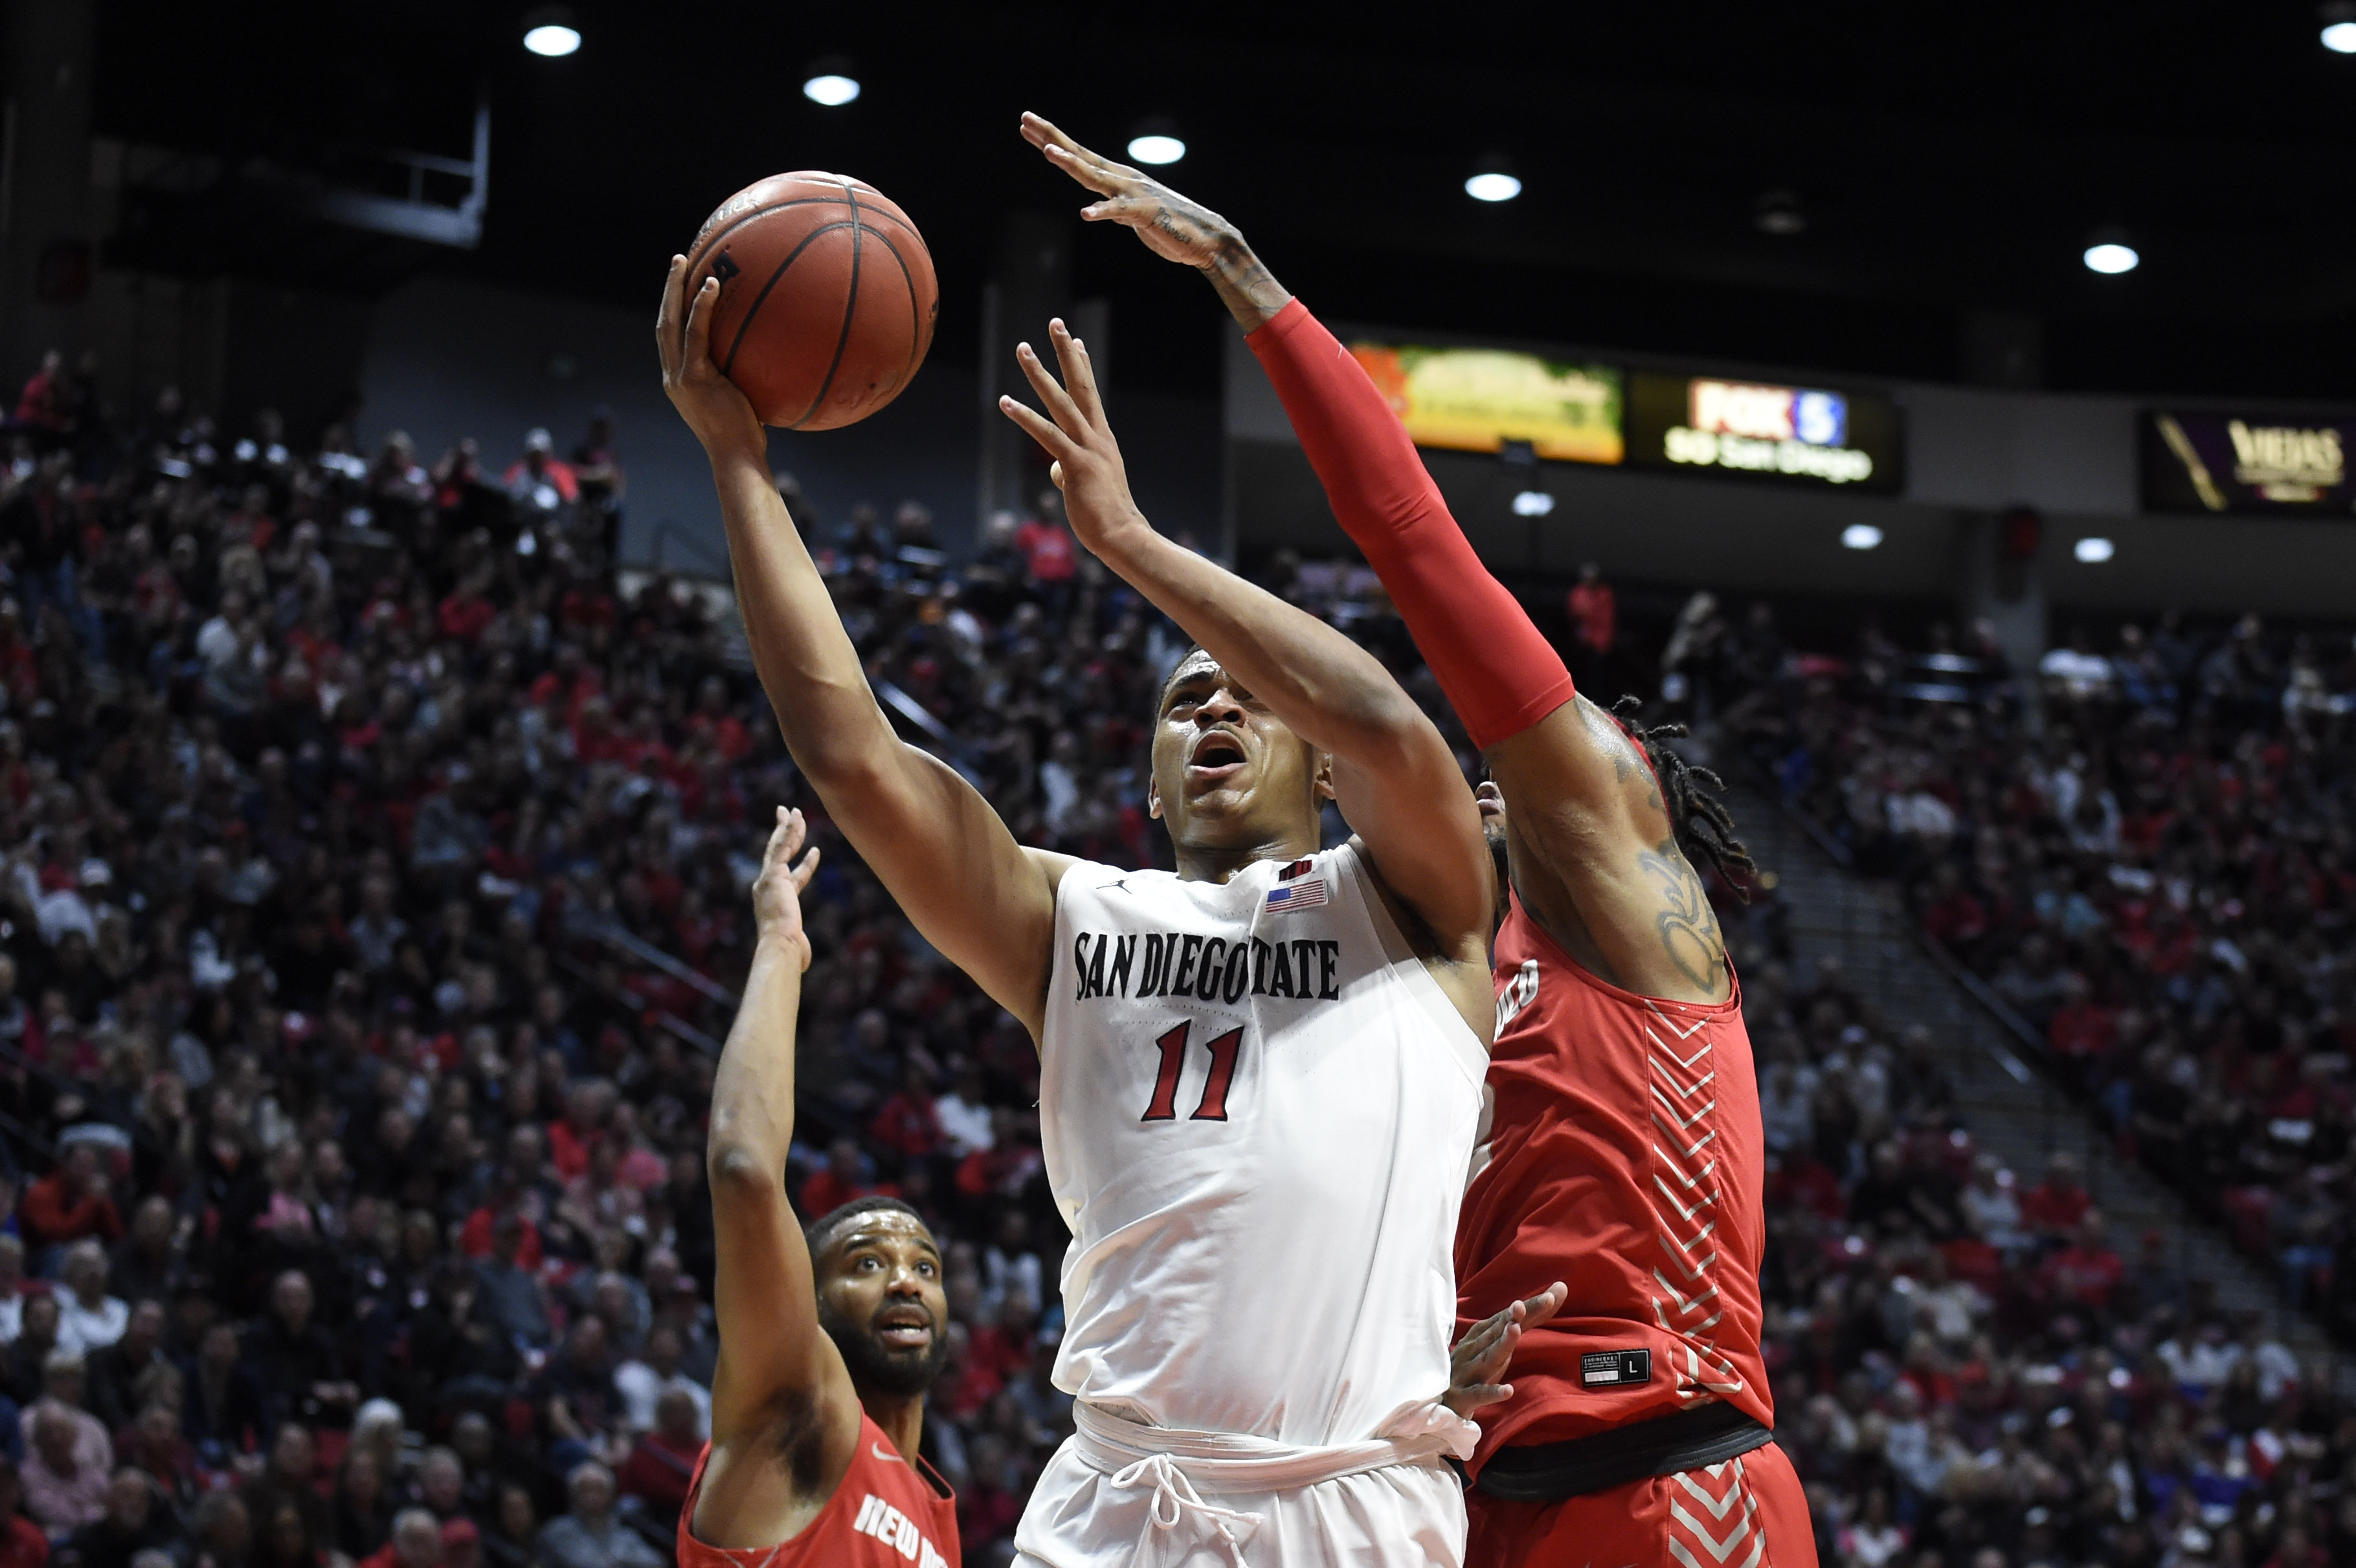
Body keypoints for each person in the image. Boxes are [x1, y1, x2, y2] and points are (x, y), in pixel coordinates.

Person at [1020, 111, 1811, 1568]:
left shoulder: (1630, 910)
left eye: (1564, 760)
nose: (1515, 776)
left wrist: (1252, 286)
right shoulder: (1413, 980)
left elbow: (1413, 539)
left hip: (1668, 1477)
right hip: (1457, 1504)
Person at [665, 188, 1501, 1563]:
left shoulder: (1412, 900)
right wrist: (736, 466)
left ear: (1324, 768)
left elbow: (1394, 727)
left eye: (1246, 698)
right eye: (1183, 704)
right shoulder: (1075, 915)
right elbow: (856, 758)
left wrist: (1133, 548)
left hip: (1355, 1507)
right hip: (1118, 1506)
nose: (1214, 711)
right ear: (1151, 780)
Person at [664, 810, 957, 1566]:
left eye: (925, 1266)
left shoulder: (936, 1511)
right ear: (810, 1305)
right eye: (866, 1262)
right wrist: (781, 947)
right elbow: (745, 1169)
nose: (904, 1281)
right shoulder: (794, 1413)